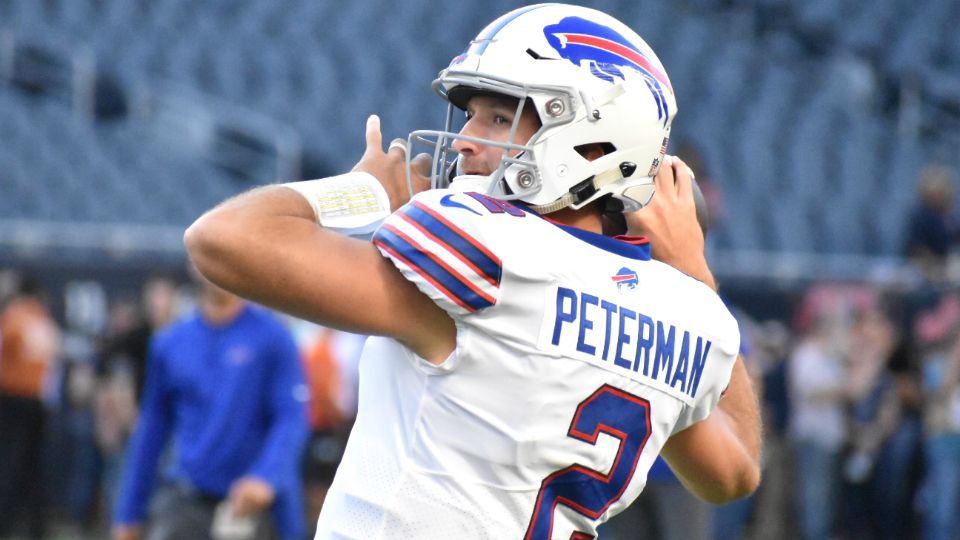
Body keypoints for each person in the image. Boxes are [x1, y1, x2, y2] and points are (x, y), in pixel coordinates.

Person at [185, 4, 761, 538]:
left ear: (592, 144)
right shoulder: (686, 309)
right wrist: (696, 276)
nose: (464, 141)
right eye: (472, 115)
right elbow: (734, 474)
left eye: (500, 117)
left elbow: (222, 241)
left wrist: (361, 192)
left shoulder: (491, 251)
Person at [111, 269, 310, 540]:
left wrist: (265, 476)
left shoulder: (274, 339)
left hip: (254, 505)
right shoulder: (169, 343)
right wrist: (129, 513)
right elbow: (151, 431)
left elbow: (291, 419)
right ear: (194, 262)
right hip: (187, 500)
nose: (220, 265)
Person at [0, 273, 61, 539]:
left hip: (12, 399)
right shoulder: (44, 320)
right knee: (34, 467)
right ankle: (37, 527)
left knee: (9, 464)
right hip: (38, 402)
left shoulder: (13, 316)